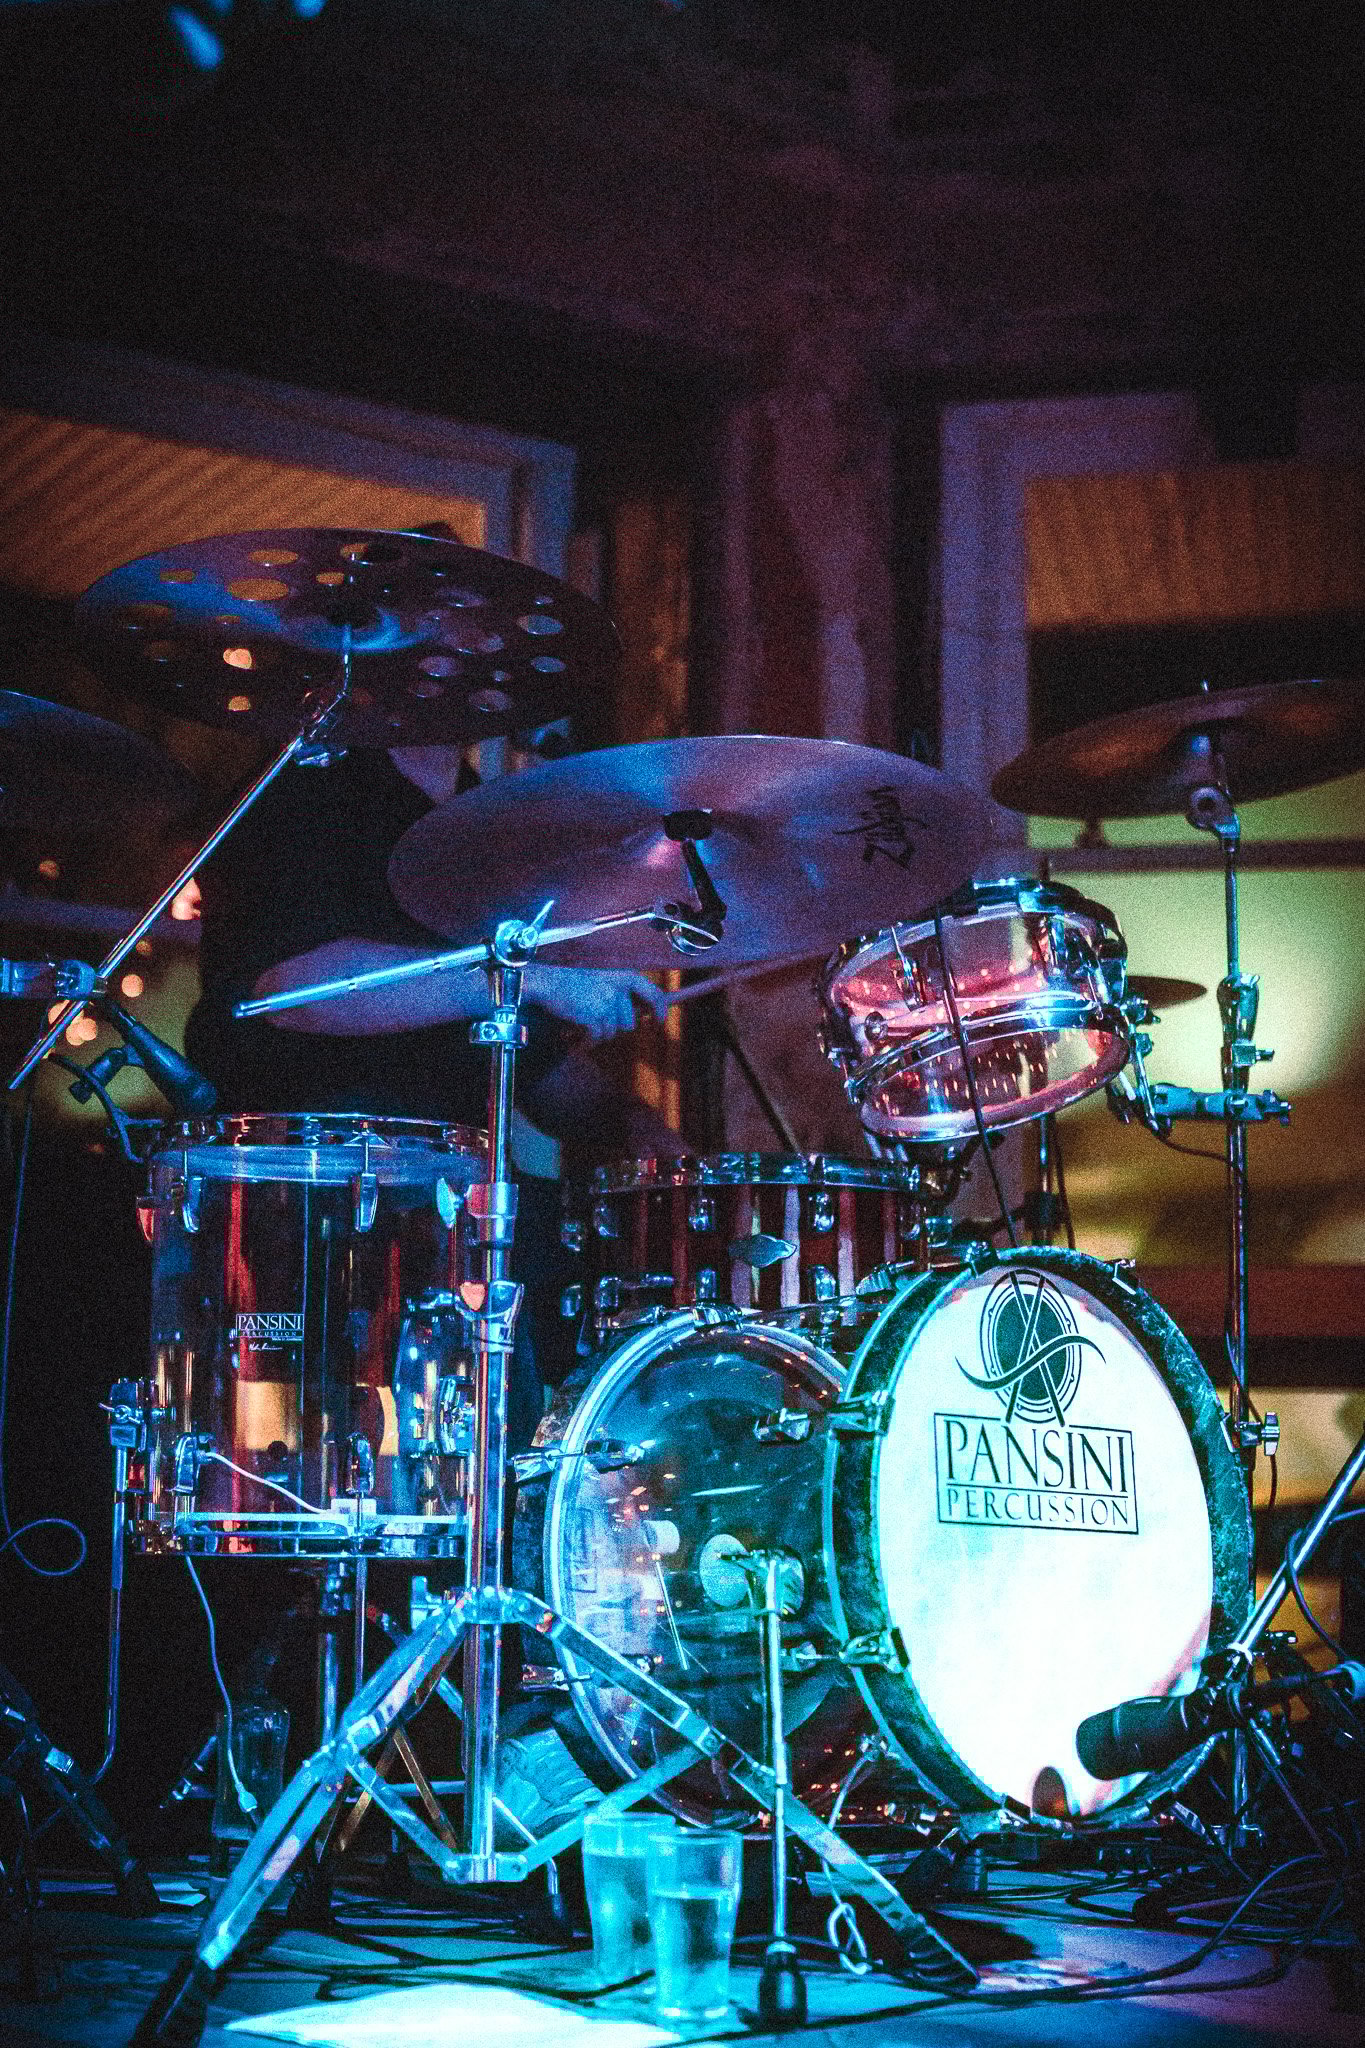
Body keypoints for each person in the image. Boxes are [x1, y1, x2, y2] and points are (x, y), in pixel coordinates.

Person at [184, 734, 675, 1441]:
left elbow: (521, 1063)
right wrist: (528, 976)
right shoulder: (305, 786)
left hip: (463, 1228)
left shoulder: (485, 817)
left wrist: (642, 1136)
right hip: (318, 1212)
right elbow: (287, 990)